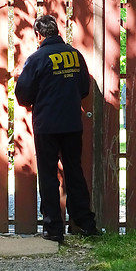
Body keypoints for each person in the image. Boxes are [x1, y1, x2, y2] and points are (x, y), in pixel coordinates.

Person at [15, 14, 98, 242]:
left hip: (46, 125)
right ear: (57, 31)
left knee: (48, 175)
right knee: (74, 171)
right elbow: (84, 88)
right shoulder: (75, 55)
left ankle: (54, 228)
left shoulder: (37, 59)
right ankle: (85, 222)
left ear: (39, 35)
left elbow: (23, 94)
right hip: (72, 123)